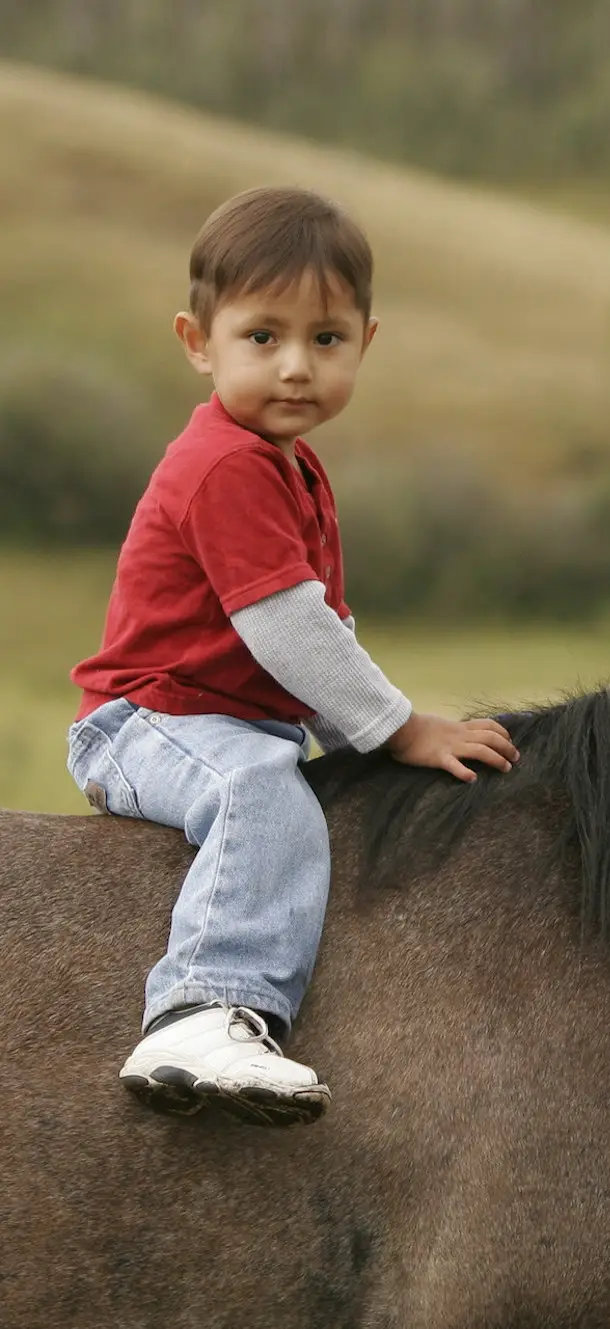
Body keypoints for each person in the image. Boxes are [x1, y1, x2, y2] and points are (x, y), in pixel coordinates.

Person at [66, 186, 519, 1126]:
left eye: (325, 340)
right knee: (259, 793)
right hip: (150, 720)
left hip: (225, 720)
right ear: (199, 342)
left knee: (304, 782)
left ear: (366, 342)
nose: (295, 368)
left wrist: (365, 745)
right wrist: (398, 729)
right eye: (261, 338)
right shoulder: (227, 465)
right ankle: (202, 1008)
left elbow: (324, 642)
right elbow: (287, 632)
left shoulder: (292, 468)